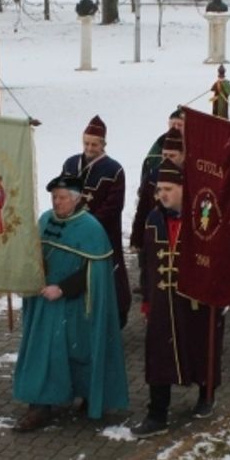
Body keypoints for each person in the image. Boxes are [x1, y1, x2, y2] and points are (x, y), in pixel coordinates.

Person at [13, 176, 129, 432]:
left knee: (79, 351)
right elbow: (33, 256)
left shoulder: (90, 228)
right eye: (54, 197)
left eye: (63, 197)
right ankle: (40, 404)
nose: (57, 202)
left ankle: (89, 394)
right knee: (43, 352)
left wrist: (63, 289)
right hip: (44, 302)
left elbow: (94, 272)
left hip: (77, 305)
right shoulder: (45, 220)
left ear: (77, 199)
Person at [131, 161, 222, 437]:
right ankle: (157, 414)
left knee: (200, 346)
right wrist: (147, 297)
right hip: (161, 301)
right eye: (159, 189)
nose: (162, 195)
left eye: (169, 189)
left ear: (184, 188)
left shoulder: (202, 218)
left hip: (195, 301)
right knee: (159, 354)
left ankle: (206, 394)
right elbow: (147, 262)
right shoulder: (153, 218)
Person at [62, 116, 131, 325]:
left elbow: (114, 205)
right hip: (72, 231)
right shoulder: (71, 163)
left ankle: (114, 315)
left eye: (94, 144)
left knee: (107, 274)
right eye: (86, 143)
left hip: (104, 233)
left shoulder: (114, 170)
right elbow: (61, 192)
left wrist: (88, 225)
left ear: (103, 144)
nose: (89, 148)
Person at [131, 128, 185, 252]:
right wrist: (136, 240)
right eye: (164, 155)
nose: (167, 159)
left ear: (182, 155)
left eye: (172, 156)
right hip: (156, 231)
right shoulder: (152, 176)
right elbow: (142, 208)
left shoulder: (189, 178)